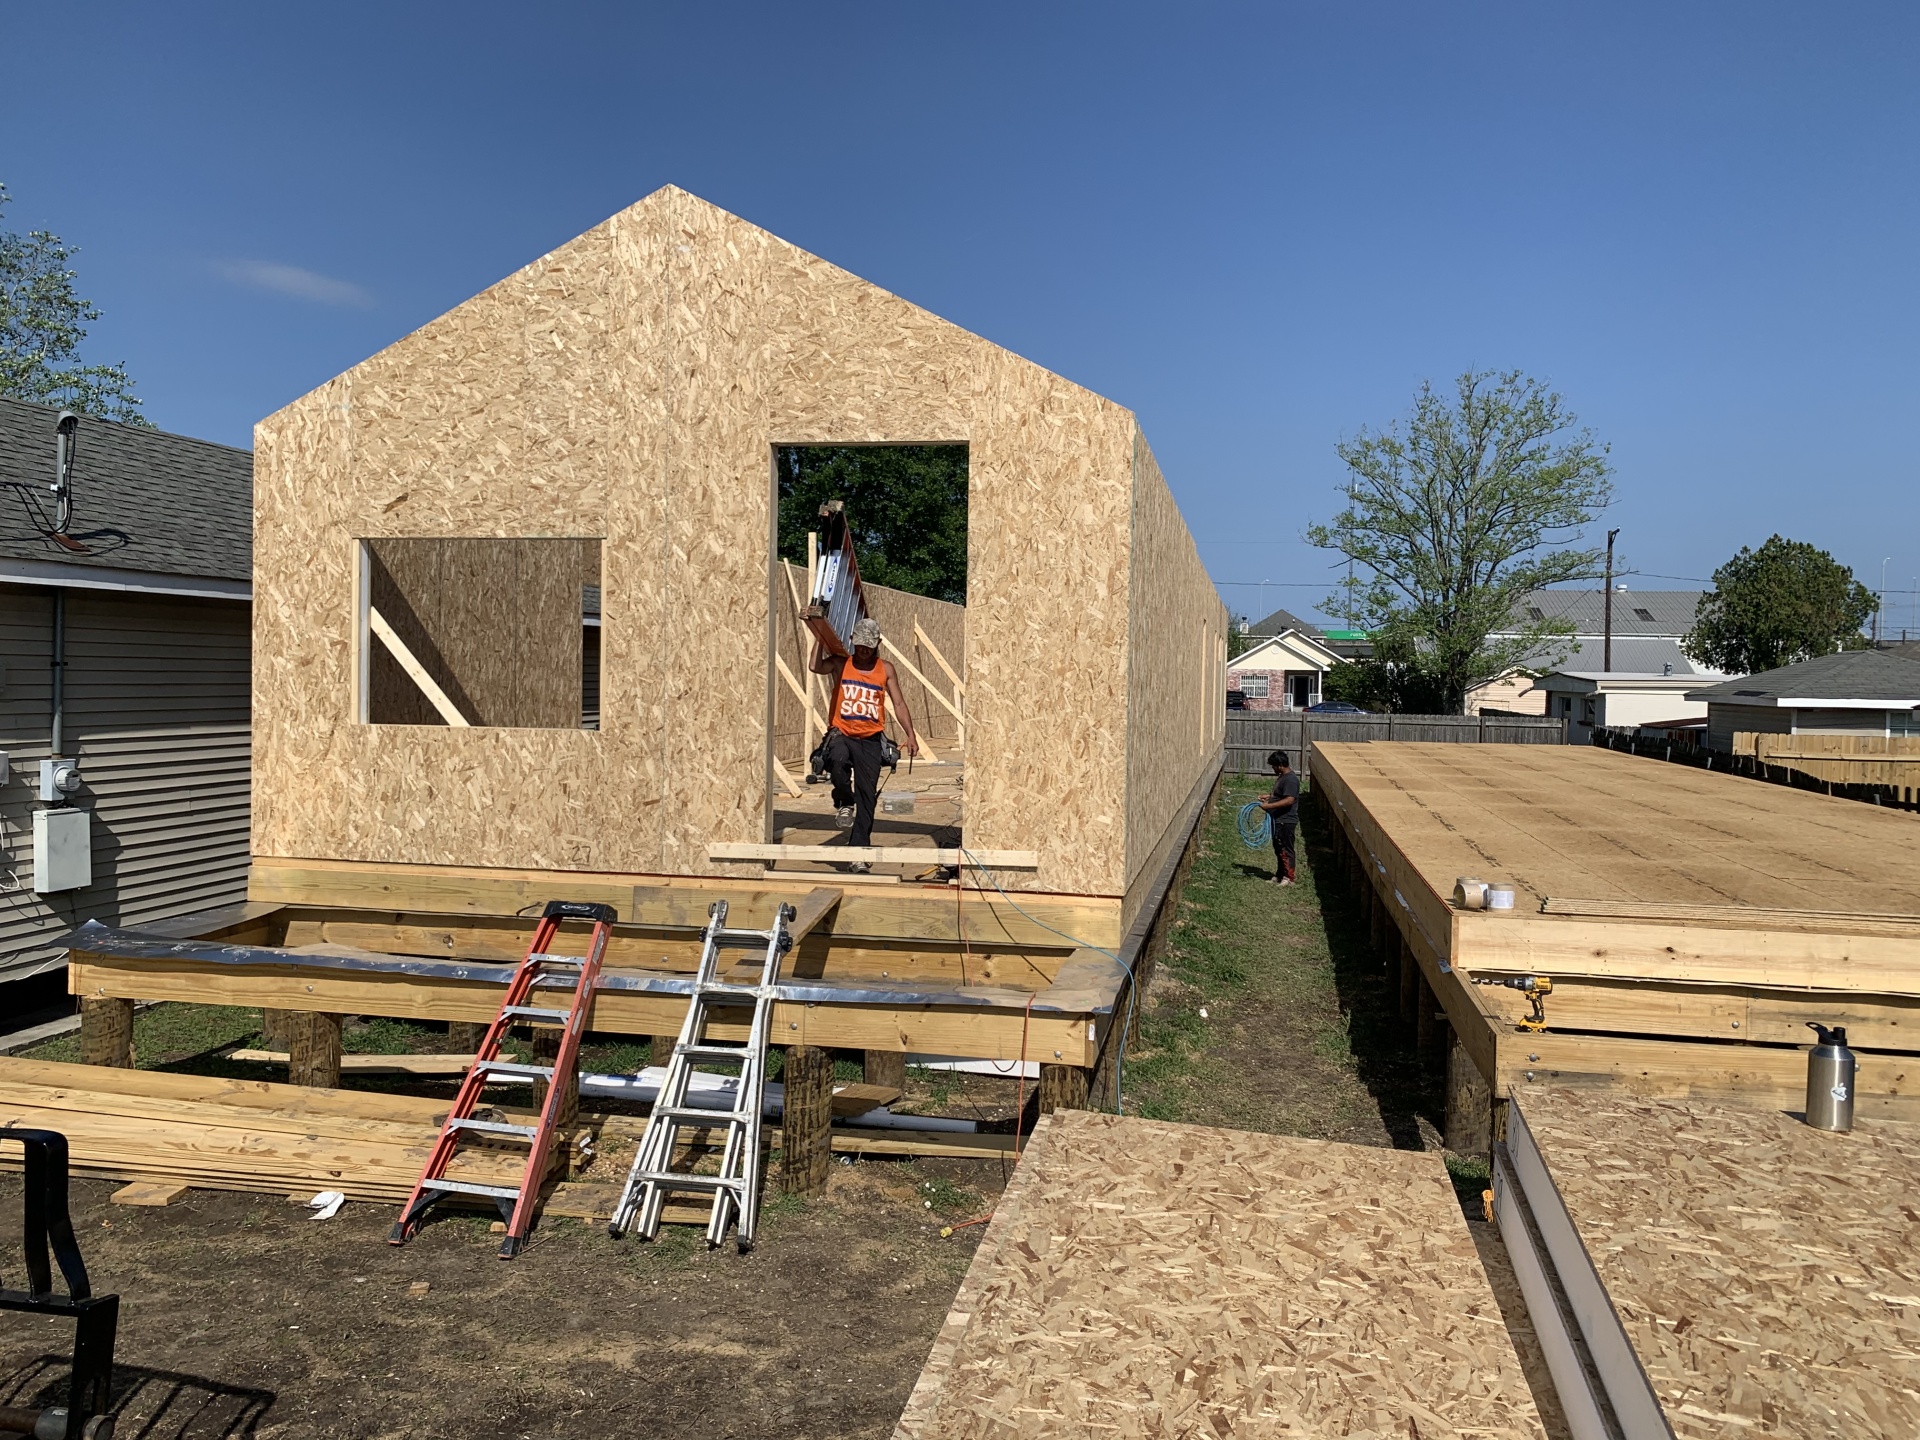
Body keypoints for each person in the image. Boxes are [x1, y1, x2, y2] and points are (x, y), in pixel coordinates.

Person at [809, 616, 919, 869]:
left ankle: (858, 851)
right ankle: (844, 801)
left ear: (878, 644)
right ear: (852, 641)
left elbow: (899, 703)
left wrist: (910, 734)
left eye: (868, 646)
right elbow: (815, 667)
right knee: (835, 760)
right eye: (859, 645)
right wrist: (818, 637)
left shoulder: (886, 669)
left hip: (870, 740)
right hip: (842, 733)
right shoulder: (841, 663)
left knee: (867, 797)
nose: (863, 650)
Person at [1256, 748, 1300, 885]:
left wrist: (1268, 806)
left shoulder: (1291, 780)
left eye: (1274, 766)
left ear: (1280, 765)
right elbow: (1281, 795)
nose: (1273, 769)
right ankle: (1280, 874)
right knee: (1279, 848)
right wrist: (1269, 797)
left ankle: (1289, 877)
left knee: (1286, 848)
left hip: (1286, 820)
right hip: (1278, 819)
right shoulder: (1283, 777)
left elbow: (1289, 800)